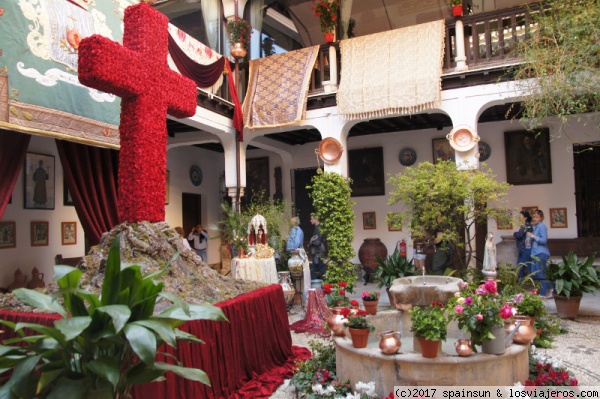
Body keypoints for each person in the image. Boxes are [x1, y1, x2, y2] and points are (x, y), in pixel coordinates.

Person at [527, 210, 553, 297]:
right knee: (534, 273)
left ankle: (543, 294)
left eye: (537, 217)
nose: (535, 219)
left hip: (541, 252)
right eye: (534, 217)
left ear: (541, 218)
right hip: (534, 252)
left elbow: (543, 240)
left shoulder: (542, 226)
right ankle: (551, 288)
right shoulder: (535, 226)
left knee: (541, 273)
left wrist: (533, 236)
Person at [513, 210, 533, 279]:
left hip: (526, 248)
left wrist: (514, 234)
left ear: (525, 218)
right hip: (522, 249)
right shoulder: (524, 225)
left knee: (529, 266)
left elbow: (519, 235)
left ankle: (539, 283)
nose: (519, 218)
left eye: (520, 216)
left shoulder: (527, 225)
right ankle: (520, 283)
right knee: (520, 266)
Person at [309, 214, 326, 279]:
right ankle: (315, 282)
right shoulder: (318, 228)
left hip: (318, 251)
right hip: (317, 252)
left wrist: (311, 242)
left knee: (319, 267)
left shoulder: (318, 228)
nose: (310, 220)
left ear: (316, 219)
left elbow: (317, 241)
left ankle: (325, 282)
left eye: (312, 219)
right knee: (316, 268)